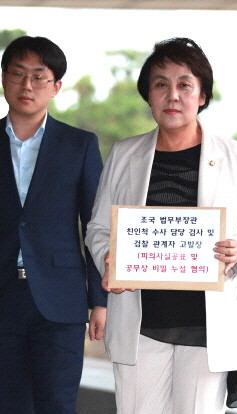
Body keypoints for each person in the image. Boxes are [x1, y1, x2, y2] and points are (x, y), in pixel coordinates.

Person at [86, 37, 237, 414]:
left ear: (202, 95)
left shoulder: (236, 155)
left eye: (184, 84)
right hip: (140, 322)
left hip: (207, 324)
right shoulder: (124, 153)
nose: (172, 95)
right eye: (161, 84)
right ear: (149, 95)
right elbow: (98, 228)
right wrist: (110, 258)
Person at [0, 36, 107, 414]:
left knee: (58, 405)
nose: (26, 85)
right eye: (17, 74)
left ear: (56, 86)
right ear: (3, 78)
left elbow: (95, 224)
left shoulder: (79, 145)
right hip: (3, 298)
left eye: (38, 77)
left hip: (60, 300)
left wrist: (99, 301)